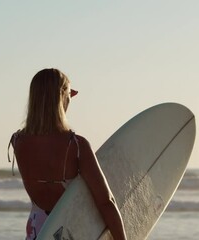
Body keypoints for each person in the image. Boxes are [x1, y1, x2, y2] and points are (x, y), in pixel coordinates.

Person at [8, 68, 127, 240]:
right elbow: (105, 202)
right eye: (69, 96)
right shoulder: (76, 145)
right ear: (61, 97)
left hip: (38, 232)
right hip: (71, 233)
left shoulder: (18, 142)